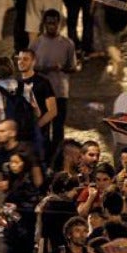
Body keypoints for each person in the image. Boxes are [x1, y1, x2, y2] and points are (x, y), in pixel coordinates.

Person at [31, 9, 77, 160]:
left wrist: (61, 68)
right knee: (43, 127)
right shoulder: (36, 44)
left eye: (55, 23)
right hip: (41, 93)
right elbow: (29, 67)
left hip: (60, 92)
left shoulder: (67, 44)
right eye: (49, 23)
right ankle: (43, 158)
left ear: (59, 24)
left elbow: (72, 68)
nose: (52, 26)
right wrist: (46, 68)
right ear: (44, 24)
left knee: (58, 129)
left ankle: (57, 158)